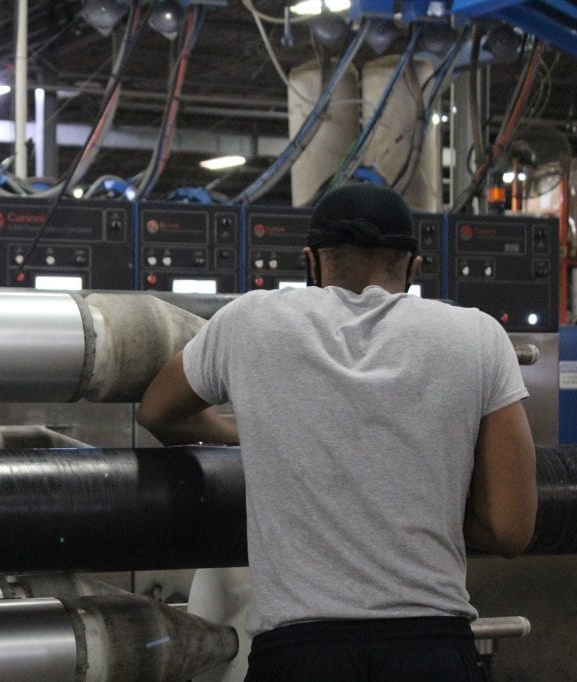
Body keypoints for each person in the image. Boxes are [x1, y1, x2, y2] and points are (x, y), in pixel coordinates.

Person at [137, 184, 537, 681]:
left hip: (299, 650)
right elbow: (511, 529)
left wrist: (241, 442)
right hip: (431, 647)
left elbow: (156, 410)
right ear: (413, 268)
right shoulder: (477, 336)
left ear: (310, 263)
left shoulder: (251, 321)